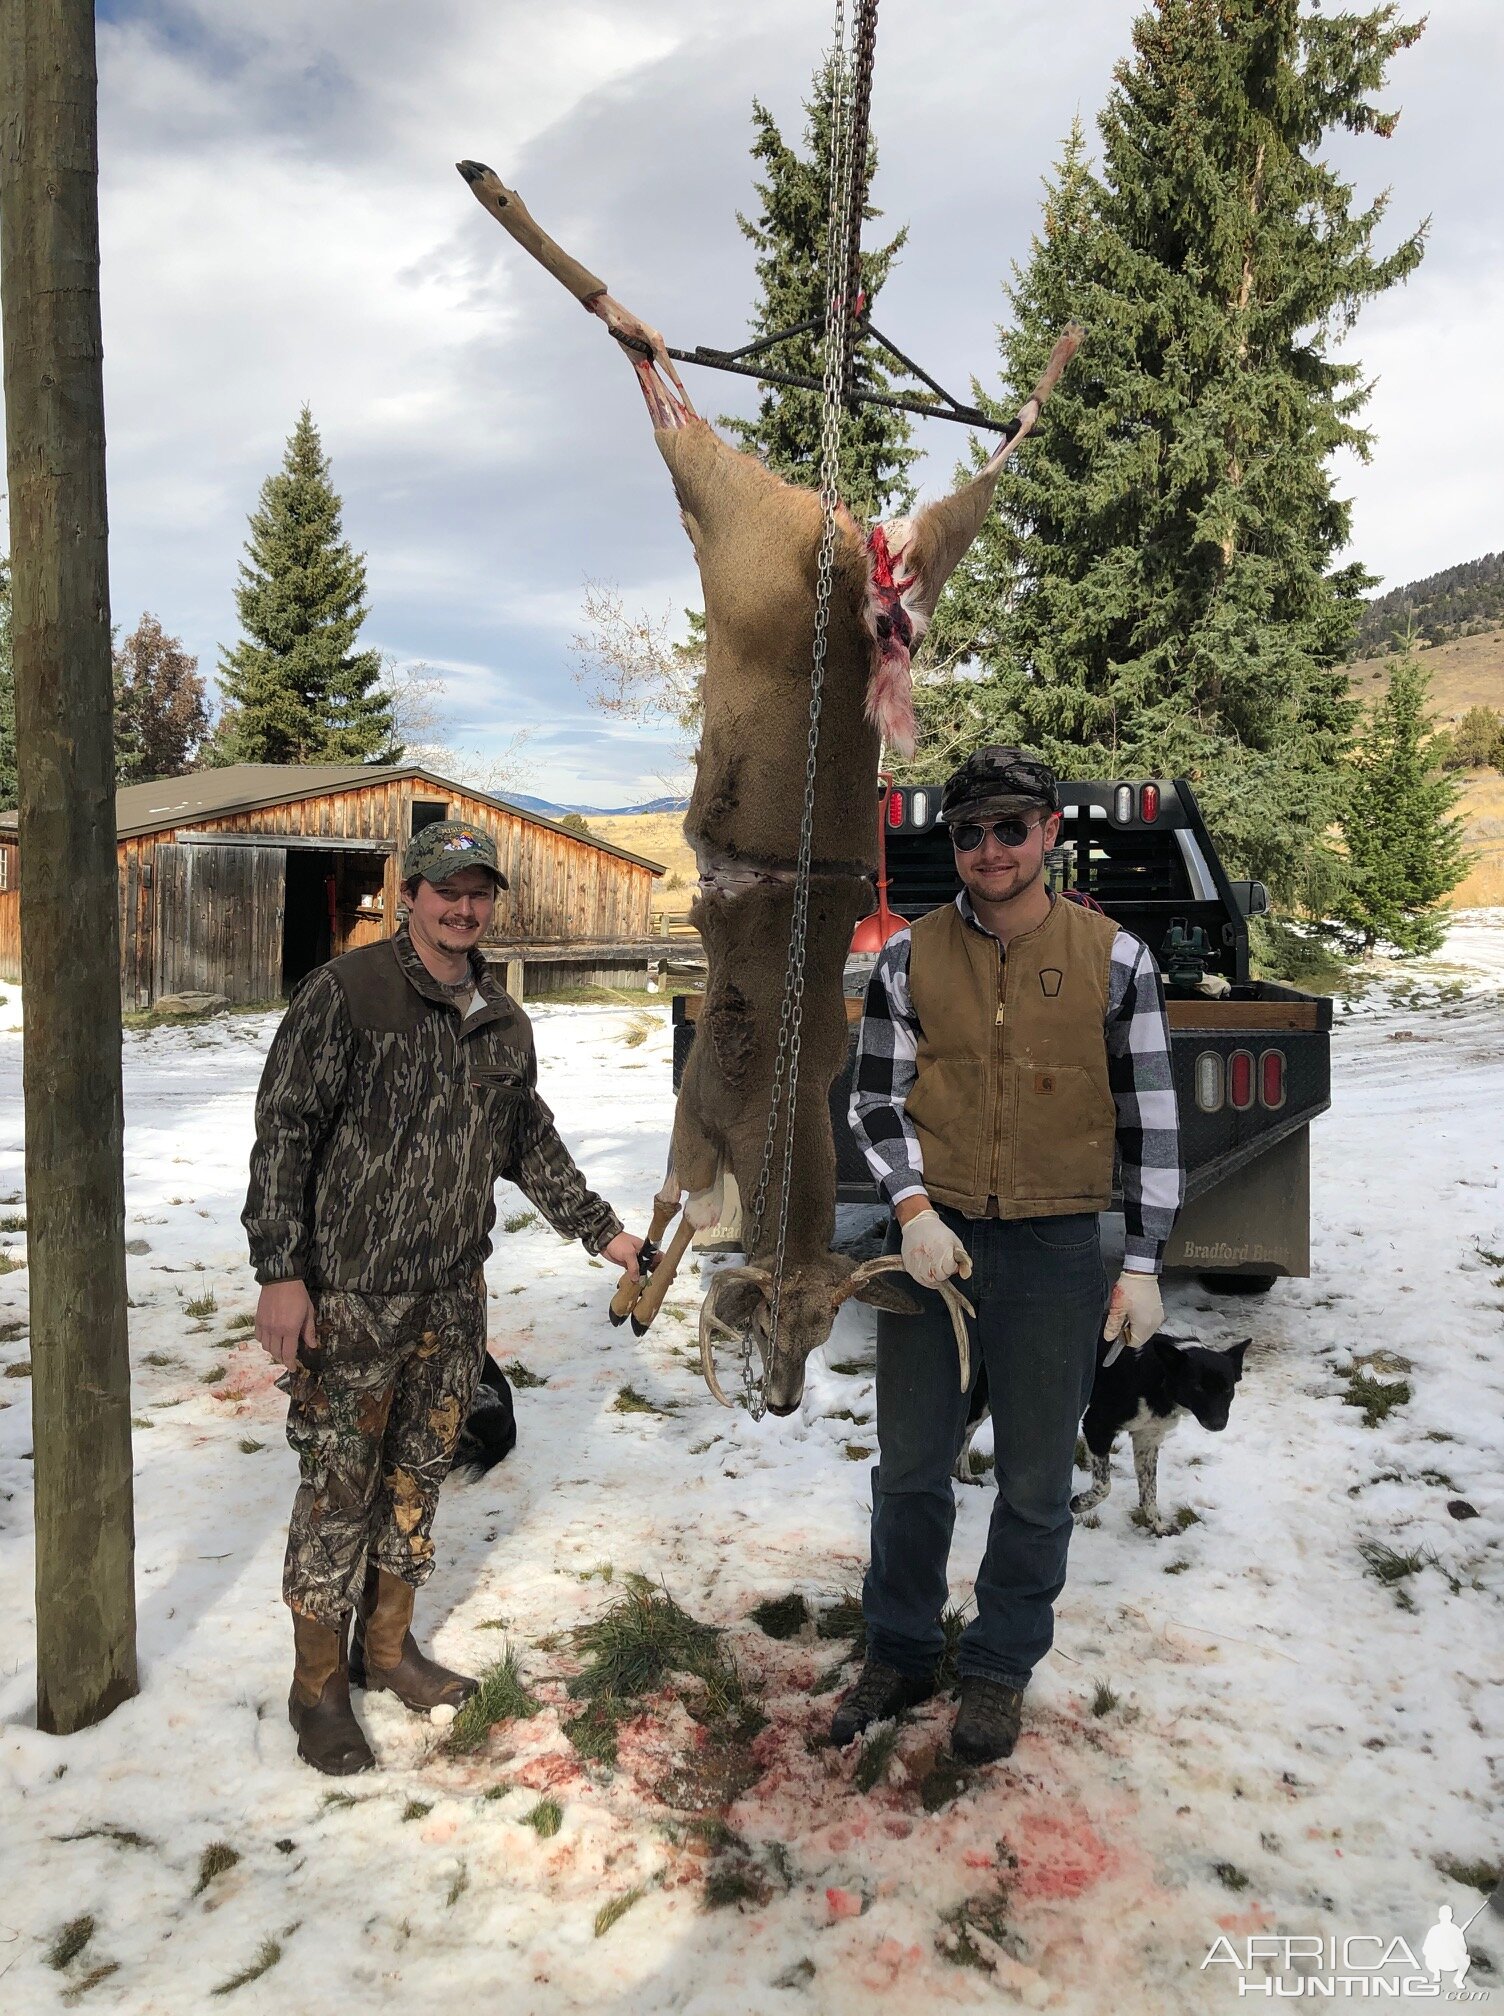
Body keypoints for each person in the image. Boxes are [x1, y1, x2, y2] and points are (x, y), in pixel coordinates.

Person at [244, 820, 644, 1775]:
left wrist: (607, 1233)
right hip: (349, 1295)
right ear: (411, 894)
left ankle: (387, 1652)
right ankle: (317, 1687)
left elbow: (528, 1143)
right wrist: (280, 1272)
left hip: (450, 1299)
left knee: (418, 1477)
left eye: (479, 894)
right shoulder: (346, 994)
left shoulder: (503, 1020)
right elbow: (285, 1134)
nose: (463, 908)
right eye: (445, 891)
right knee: (340, 1487)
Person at [843, 748, 1183, 1762]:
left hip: (1054, 1249)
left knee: (1035, 1481)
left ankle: (996, 1670)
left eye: (1008, 829)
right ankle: (899, 1651)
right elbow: (873, 1098)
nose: (987, 851)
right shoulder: (907, 960)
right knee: (909, 1471)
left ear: (1047, 834)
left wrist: (1144, 1261)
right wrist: (910, 1209)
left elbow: (1152, 1121)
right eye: (965, 833)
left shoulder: (1114, 959)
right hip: (934, 1252)